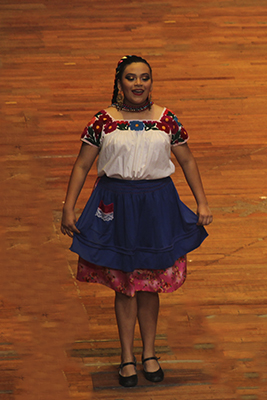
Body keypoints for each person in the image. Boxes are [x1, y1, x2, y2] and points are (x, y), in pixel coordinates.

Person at [60, 55, 212, 387]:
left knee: (150, 283)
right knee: (125, 285)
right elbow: (82, 165)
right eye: (131, 78)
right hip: (117, 206)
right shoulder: (103, 121)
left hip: (157, 206)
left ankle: (150, 353)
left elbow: (187, 160)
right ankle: (127, 357)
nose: (138, 84)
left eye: (144, 77)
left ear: (151, 82)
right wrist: (68, 207)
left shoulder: (166, 119)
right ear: (119, 83)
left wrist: (201, 201)